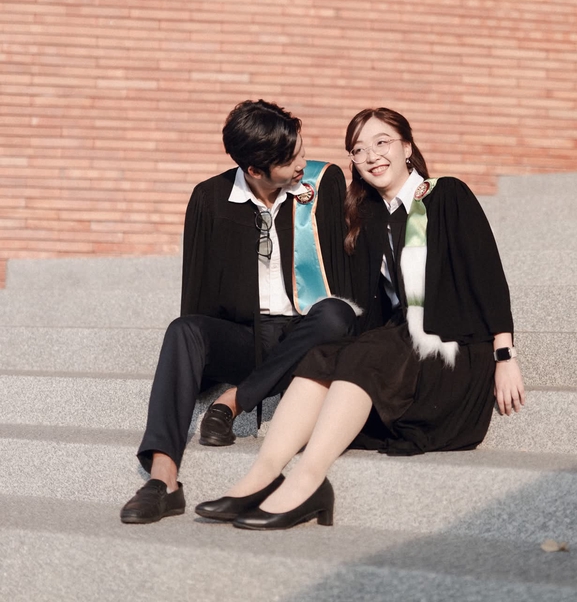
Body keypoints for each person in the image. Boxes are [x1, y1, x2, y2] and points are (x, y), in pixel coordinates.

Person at [194, 107, 525, 529]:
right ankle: (261, 476)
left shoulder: (447, 196)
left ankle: (309, 482)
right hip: (401, 349)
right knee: (327, 354)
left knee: (366, 355)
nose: (371, 156)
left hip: (452, 351)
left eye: (382, 142)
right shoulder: (366, 216)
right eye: (359, 149)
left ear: (407, 147)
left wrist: (504, 354)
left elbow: (488, 277)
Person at [120, 99, 358, 524]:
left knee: (336, 315)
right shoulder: (210, 198)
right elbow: (197, 294)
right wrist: (199, 367)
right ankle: (163, 479)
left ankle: (234, 401)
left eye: (301, 150)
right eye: (291, 160)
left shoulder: (323, 184)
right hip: (247, 336)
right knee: (184, 330)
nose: (303, 163)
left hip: (307, 334)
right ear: (254, 170)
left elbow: (344, 276)